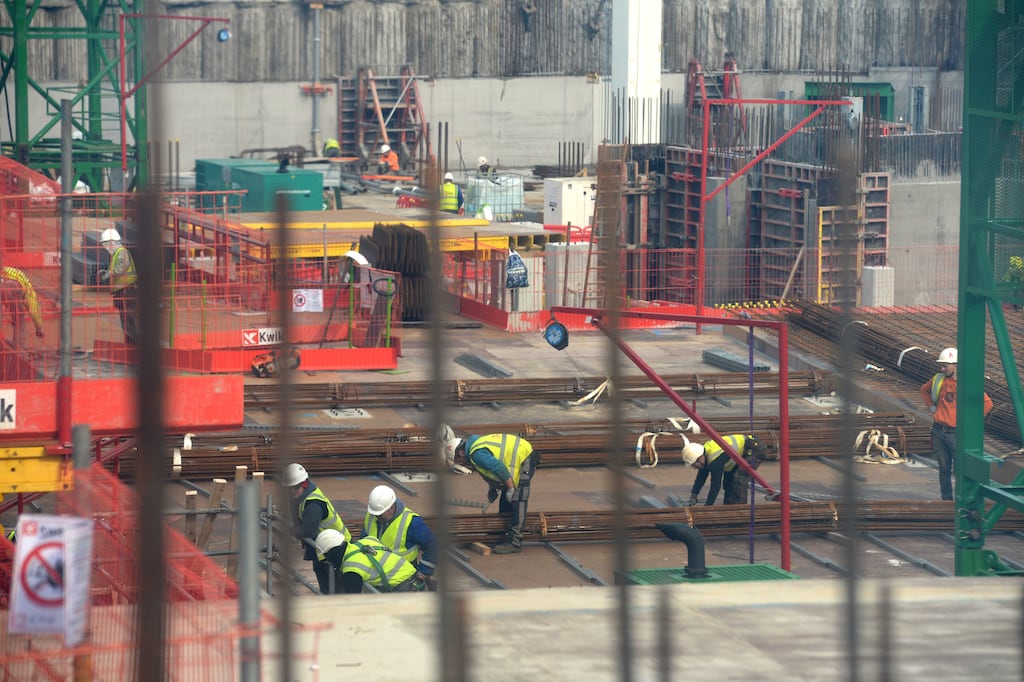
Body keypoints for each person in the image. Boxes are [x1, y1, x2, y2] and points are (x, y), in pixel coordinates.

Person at [439, 424, 540, 554]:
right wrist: (494, 488)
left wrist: (510, 488)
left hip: (525, 458)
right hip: (519, 455)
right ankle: (501, 534)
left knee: (518, 500)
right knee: (506, 500)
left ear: (461, 452)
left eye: (459, 460)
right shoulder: (475, 446)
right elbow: (494, 468)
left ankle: (514, 542)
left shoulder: (476, 454)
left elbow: (498, 467)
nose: (462, 463)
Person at [920, 347, 994, 501]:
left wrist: (970, 422)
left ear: (955, 365)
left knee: (960, 469)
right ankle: (946, 500)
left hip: (955, 433)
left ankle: (961, 500)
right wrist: (932, 408)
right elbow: (924, 390)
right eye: (941, 366)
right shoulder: (938, 379)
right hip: (938, 430)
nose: (942, 369)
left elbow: (987, 403)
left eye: (945, 366)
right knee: (944, 468)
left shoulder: (966, 383)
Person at [284, 462, 352, 594]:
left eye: (294, 488)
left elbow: (307, 531)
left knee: (336, 591)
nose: (291, 492)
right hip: (322, 549)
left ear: (304, 485)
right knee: (326, 590)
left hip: (336, 550)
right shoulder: (301, 498)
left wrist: (291, 530)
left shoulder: (313, 504)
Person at [363, 484, 438, 588]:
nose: (377, 517)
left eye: (380, 514)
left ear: (391, 507)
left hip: (402, 577)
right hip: (375, 573)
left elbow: (433, 545)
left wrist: (424, 570)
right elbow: (364, 538)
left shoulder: (411, 522)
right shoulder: (372, 516)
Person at [315, 528, 421, 594]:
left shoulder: (351, 569)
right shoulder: (368, 540)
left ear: (332, 553)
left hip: (404, 588)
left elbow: (353, 603)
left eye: (326, 556)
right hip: (413, 576)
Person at [682, 434, 767, 506]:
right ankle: (729, 507)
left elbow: (715, 486)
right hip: (744, 452)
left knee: (738, 479)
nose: (694, 468)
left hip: (754, 450)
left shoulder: (715, 461)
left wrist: (708, 507)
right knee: (728, 480)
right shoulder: (705, 452)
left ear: (700, 458)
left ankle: (741, 510)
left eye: (694, 465)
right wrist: (694, 495)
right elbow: (701, 477)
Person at [97, 228, 138, 345]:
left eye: (106, 244)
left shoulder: (121, 252)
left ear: (112, 242)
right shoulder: (116, 254)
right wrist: (107, 272)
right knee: (126, 321)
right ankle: (130, 344)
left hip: (127, 290)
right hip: (122, 291)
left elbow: (122, 267)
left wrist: (108, 274)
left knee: (129, 320)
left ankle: (133, 345)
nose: (105, 247)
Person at [0, 264, 45, 343]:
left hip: (12, 288)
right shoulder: (20, 276)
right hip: (14, 290)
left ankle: (4, 340)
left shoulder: (13, 273)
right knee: (18, 319)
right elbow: (33, 306)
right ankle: (17, 344)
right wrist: (39, 327)